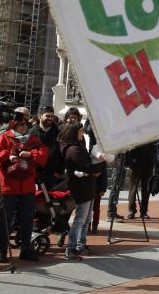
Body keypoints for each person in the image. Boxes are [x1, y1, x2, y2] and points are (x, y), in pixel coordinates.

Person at [0, 114, 47, 262]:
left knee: (27, 219)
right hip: (8, 187)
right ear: (13, 125)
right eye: (20, 124)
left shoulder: (32, 139)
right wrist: (8, 155)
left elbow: (43, 153)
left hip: (27, 186)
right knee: (5, 220)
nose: (24, 127)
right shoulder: (3, 138)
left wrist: (31, 153)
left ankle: (25, 249)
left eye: (25, 124)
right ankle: (3, 251)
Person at [61, 122, 105, 260]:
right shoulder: (73, 149)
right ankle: (71, 248)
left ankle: (80, 244)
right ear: (74, 133)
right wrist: (102, 164)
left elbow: (88, 168)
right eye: (80, 131)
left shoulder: (79, 147)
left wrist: (95, 169)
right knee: (80, 219)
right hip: (81, 188)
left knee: (86, 219)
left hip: (88, 186)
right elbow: (87, 167)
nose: (83, 133)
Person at [30, 105, 62, 189]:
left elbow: (62, 152)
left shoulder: (58, 132)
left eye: (52, 116)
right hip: (35, 174)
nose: (50, 118)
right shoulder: (31, 133)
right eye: (47, 116)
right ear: (40, 116)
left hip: (52, 175)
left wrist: (60, 171)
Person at [125, 142, 155, 219]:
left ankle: (144, 211)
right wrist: (130, 162)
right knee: (133, 189)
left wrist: (153, 159)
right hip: (136, 163)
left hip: (148, 163)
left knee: (146, 189)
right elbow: (130, 146)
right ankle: (131, 210)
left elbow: (154, 147)